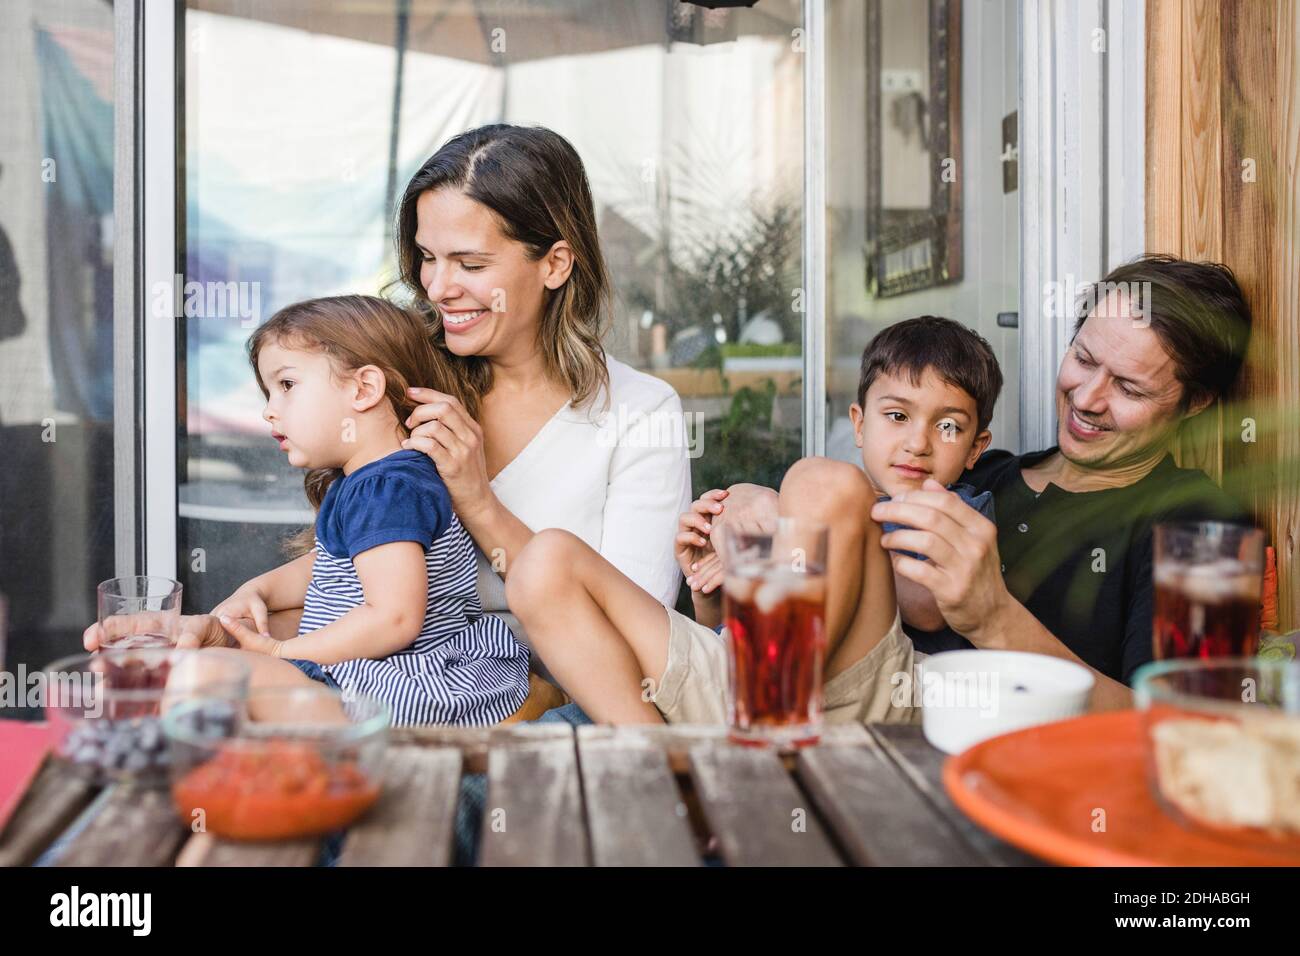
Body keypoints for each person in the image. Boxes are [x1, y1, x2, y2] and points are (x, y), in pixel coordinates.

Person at [502, 317, 1006, 725]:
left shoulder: (957, 512)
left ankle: (766, 729)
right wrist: (715, 583)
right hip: (745, 688)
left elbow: (928, 609)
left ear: (974, 448)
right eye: (897, 416)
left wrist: (778, 518)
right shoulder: (826, 508)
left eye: (946, 426)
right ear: (858, 422)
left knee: (816, 480)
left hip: (867, 697)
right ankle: (665, 769)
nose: (918, 442)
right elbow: (725, 633)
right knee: (542, 564)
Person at [106, 295, 531, 726]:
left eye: (287, 385)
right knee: (209, 668)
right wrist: (260, 591)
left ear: (363, 389)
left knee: (210, 673)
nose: (269, 410)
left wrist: (280, 653)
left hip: (404, 689)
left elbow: (395, 617)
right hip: (386, 677)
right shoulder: (376, 481)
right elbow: (335, 566)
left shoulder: (385, 489)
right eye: (269, 392)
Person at [854, 255, 1252, 708]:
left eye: (1129, 388)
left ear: (1195, 402)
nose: (1086, 398)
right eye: (1083, 359)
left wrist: (993, 619)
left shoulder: (1206, 531)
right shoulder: (975, 474)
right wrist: (760, 501)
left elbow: (1187, 730)